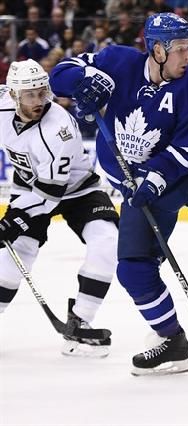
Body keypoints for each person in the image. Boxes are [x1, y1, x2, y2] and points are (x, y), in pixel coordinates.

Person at [49, 13, 188, 376]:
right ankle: (172, 342)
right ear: (157, 49)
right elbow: (61, 73)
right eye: (180, 50)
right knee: (133, 270)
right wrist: (83, 81)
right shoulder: (118, 61)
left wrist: (156, 179)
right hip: (136, 184)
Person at [0, 59, 118, 357]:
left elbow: (51, 191)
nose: (39, 100)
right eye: (30, 95)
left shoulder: (59, 127)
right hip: (28, 186)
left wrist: (15, 219)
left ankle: (81, 322)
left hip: (77, 189)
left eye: (43, 92)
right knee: (17, 256)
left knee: (107, 242)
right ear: (14, 95)